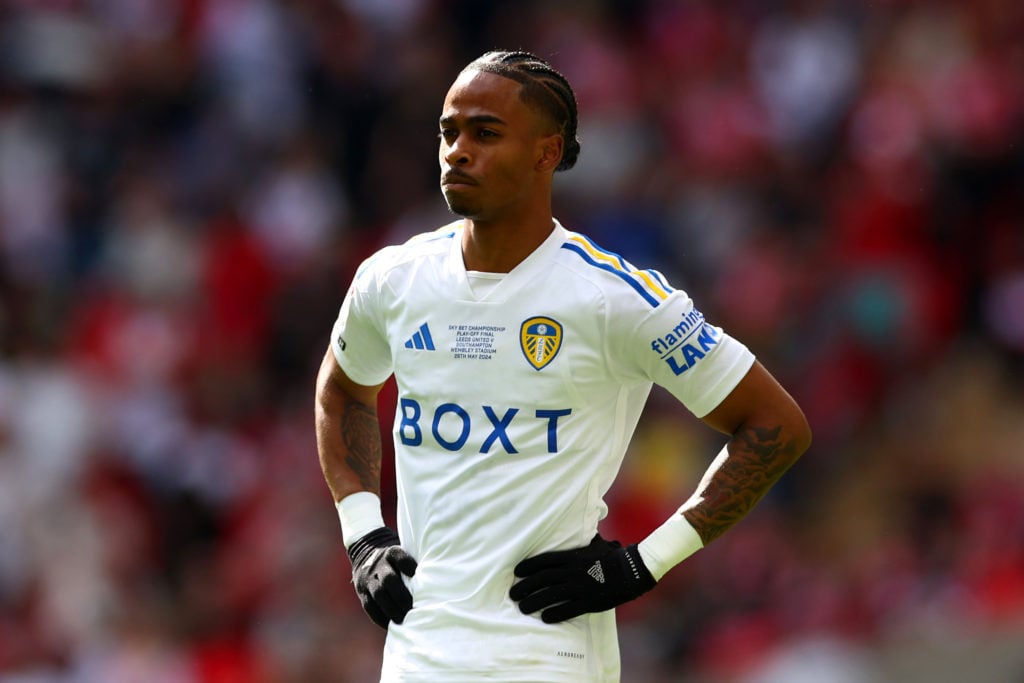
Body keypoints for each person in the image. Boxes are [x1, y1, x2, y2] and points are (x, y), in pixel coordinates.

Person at [314, 50, 811, 682]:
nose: (457, 151)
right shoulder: (393, 280)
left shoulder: (613, 299)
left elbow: (775, 426)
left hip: (547, 654)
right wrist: (364, 535)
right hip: (419, 653)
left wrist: (642, 564)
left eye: (485, 133)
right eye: (448, 132)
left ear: (547, 153)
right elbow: (342, 391)